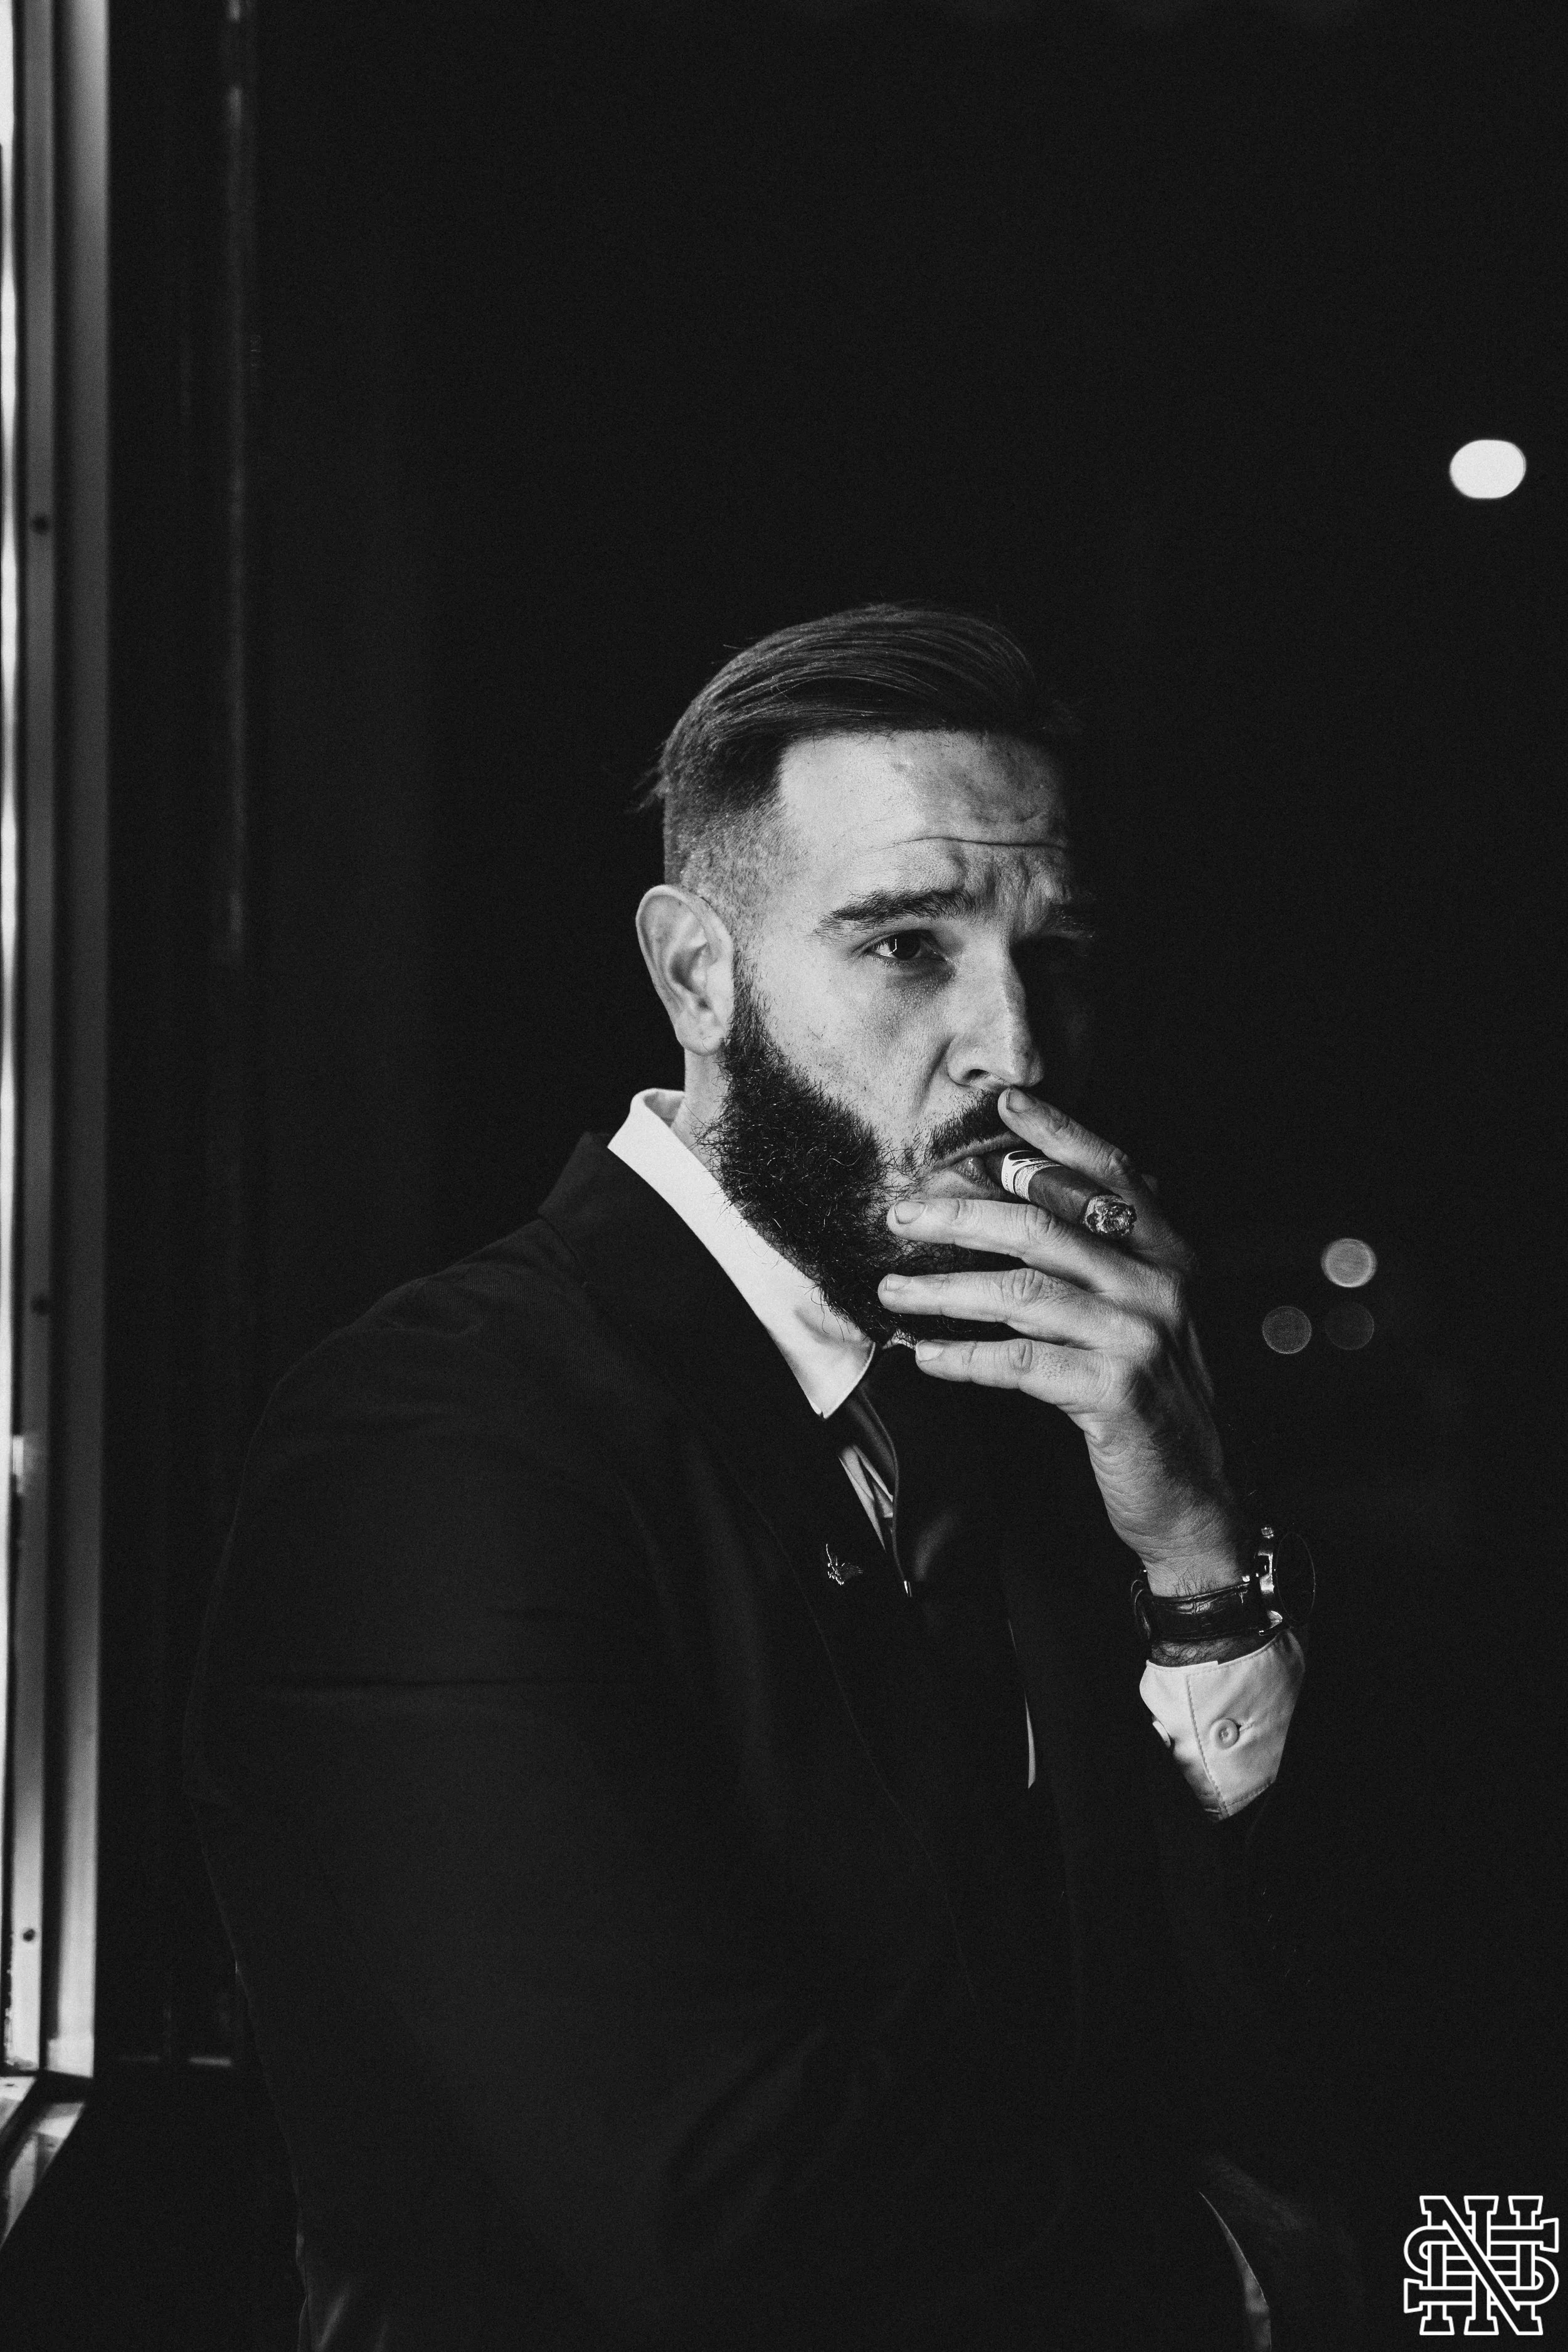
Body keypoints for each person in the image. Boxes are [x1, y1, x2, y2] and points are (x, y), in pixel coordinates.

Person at [185, 605, 1362, 2350]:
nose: (1015, 1048)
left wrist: (1193, 1551)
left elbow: (1219, 2031)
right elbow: (714, 2218)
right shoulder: (438, 1432)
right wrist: (1250, 2287)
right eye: (904, 944)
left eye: (1050, 956)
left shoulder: (1029, 1416)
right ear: (697, 976)